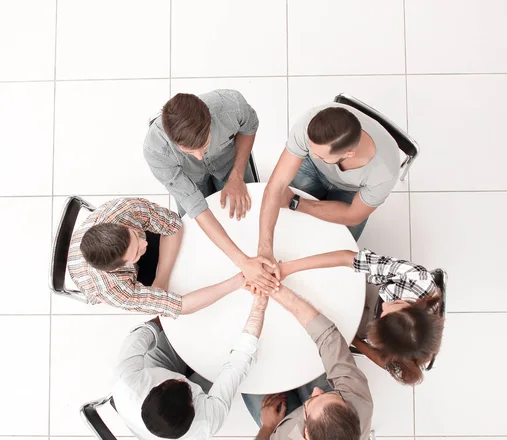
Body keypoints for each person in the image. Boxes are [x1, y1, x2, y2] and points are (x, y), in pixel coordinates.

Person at [144, 89, 279, 294]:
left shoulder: (231, 105)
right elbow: (196, 206)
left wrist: (237, 175)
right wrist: (242, 262)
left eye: (204, 146)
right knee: (196, 232)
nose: (198, 157)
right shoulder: (155, 151)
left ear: (210, 122)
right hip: (188, 179)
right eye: (189, 152)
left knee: (252, 211)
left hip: (229, 164)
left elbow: (250, 128)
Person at [242, 285, 373, 440]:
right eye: (332, 394)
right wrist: (279, 291)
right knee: (311, 358)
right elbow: (329, 338)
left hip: (280, 431)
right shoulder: (359, 401)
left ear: (307, 434)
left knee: (248, 378)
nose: (316, 391)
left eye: (312, 400)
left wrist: (267, 427)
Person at [113, 294, 269, 440]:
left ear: (154, 389)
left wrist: (171, 311)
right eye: (188, 389)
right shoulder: (207, 421)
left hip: (152, 377)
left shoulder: (126, 380)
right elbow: (237, 364)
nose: (182, 379)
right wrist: (259, 308)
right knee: (224, 365)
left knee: (170, 328)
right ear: (194, 409)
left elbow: (143, 332)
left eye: (172, 382)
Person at [257, 101, 400, 277]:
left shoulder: (384, 171)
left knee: (339, 245)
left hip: (352, 189)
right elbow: (275, 186)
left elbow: (353, 215)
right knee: (284, 219)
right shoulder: (309, 124)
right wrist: (264, 250)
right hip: (314, 169)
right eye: (310, 147)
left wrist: (296, 202)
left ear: (349, 153)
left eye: (319, 154)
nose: (311, 153)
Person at [279, 248, 444, 384]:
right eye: (395, 304)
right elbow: (347, 257)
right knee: (317, 282)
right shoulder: (418, 279)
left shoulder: (407, 359)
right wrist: (286, 268)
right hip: (371, 289)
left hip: (364, 326)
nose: (385, 305)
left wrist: (353, 341)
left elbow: (384, 361)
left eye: (384, 315)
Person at [68, 197, 244, 316]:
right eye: (136, 252)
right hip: (94, 280)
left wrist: (162, 278)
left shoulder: (124, 210)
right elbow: (180, 306)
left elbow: (173, 224)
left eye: (136, 236)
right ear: (120, 267)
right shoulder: (112, 289)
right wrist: (237, 281)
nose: (145, 244)